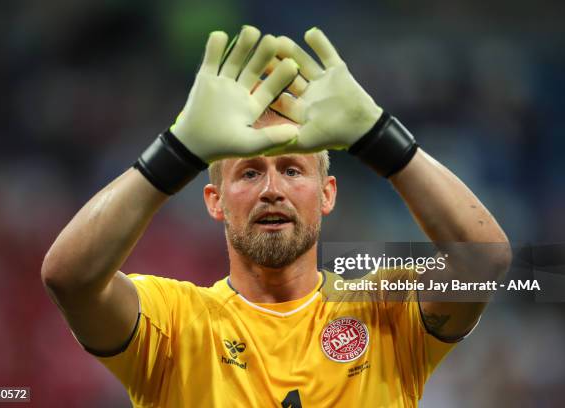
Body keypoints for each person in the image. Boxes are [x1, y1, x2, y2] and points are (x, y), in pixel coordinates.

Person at [41, 25, 511, 407]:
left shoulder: (386, 312)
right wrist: (176, 151)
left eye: (292, 170)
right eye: (248, 174)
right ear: (214, 201)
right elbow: (69, 278)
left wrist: (378, 136)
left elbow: (484, 261)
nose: (272, 191)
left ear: (327, 195)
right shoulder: (174, 322)